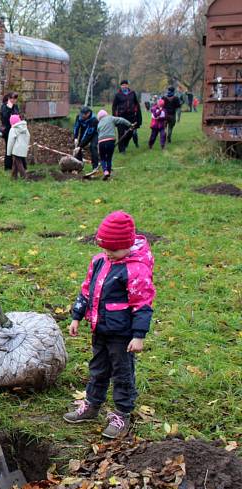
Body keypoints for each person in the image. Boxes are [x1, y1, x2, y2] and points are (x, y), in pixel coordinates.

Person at [64, 211, 156, 439]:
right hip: (100, 329)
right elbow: (87, 290)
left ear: (127, 245)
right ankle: (92, 404)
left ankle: (122, 413)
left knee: (122, 373)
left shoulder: (136, 269)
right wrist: (77, 315)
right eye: (105, 248)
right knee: (97, 369)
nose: (108, 253)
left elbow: (142, 304)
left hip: (122, 335)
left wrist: (138, 335)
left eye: (113, 250)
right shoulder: (99, 261)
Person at [96, 109, 133, 180]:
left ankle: (105, 171)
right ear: (106, 114)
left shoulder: (99, 124)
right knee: (109, 158)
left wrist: (98, 148)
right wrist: (130, 124)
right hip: (110, 141)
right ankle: (109, 172)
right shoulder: (111, 118)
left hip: (101, 142)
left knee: (103, 158)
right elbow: (121, 120)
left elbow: (98, 136)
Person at [111, 80, 142, 152]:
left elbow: (136, 104)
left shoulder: (132, 93)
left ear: (128, 85)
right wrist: (115, 117)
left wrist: (137, 116)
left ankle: (125, 143)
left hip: (131, 116)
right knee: (121, 133)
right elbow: (114, 106)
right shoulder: (118, 95)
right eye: (122, 85)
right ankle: (121, 150)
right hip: (121, 116)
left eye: (125, 85)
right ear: (120, 86)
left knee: (130, 132)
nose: (124, 86)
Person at [73, 106, 99, 173]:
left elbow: (88, 135)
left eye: (83, 114)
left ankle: (95, 167)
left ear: (88, 113)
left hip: (94, 134)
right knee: (78, 149)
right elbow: (76, 127)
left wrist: (80, 146)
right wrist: (75, 138)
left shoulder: (94, 120)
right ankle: (79, 166)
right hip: (83, 132)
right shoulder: (79, 117)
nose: (81, 116)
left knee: (93, 147)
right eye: (81, 114)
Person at [0, 92, 20, 171]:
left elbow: (18, 116)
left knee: (17, 148)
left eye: (15, 98)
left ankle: (17, 166)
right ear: (8, 98)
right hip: (7, 130)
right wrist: (9, 108)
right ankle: (8, 167)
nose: (14, 100)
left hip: (16, 130)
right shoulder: (4, 107)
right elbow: (4, 117)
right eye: (12, 98)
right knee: (9, 148)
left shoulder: (16, 107)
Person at [6, 114, 29, 179]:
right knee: (15, 163)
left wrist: (8, 152)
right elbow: (28, 136)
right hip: (23, 148)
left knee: (19, 163)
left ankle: (24, 177)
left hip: (16, 149)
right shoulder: (25, 128)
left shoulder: (13, 129)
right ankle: (13, 177)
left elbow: (11, 141)